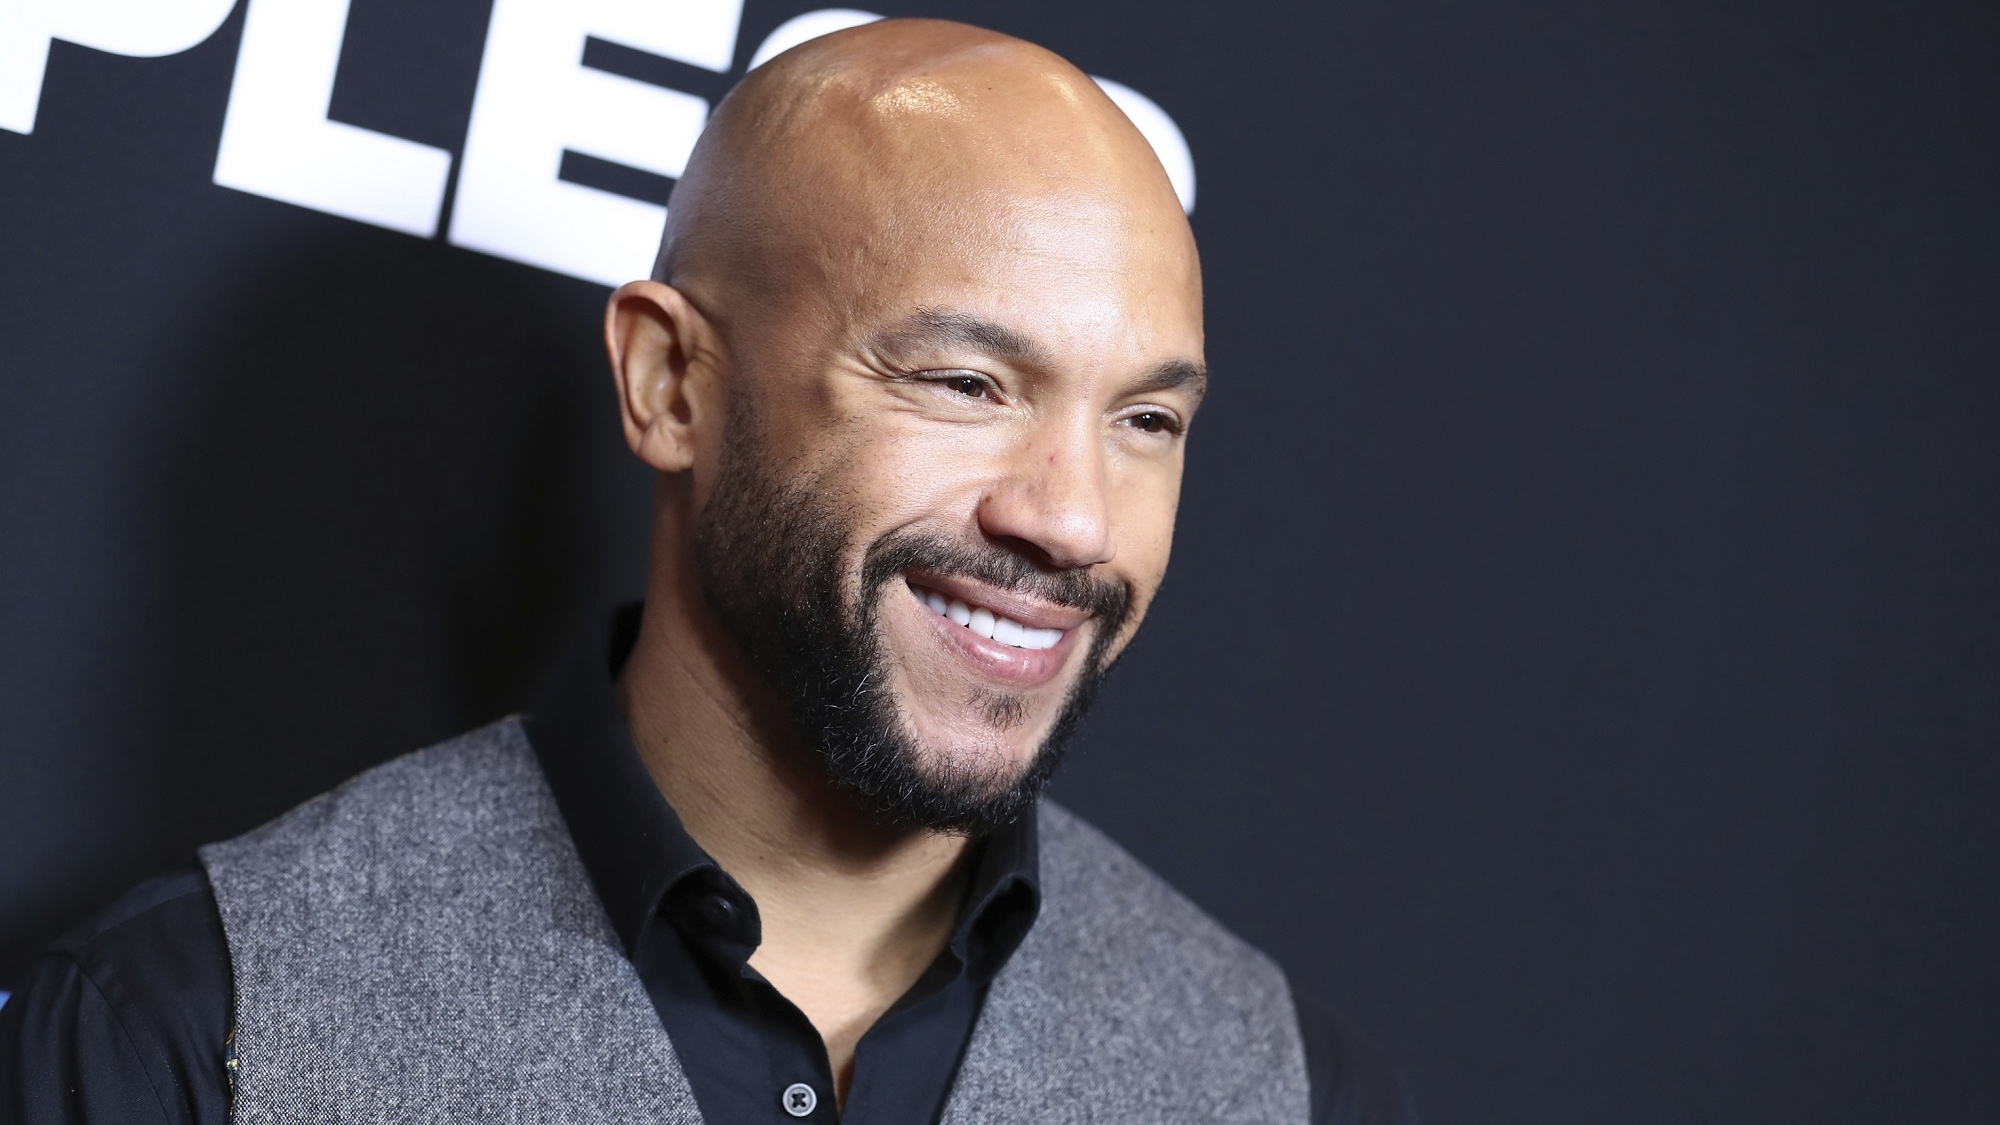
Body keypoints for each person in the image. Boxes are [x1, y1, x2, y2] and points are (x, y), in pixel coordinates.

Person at [0, 19, 1415, 1125]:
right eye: (968, 380)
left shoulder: (1284, 1086)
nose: (1074, 520)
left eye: (1146, 421)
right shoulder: (182, 1031)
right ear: (672, 382)